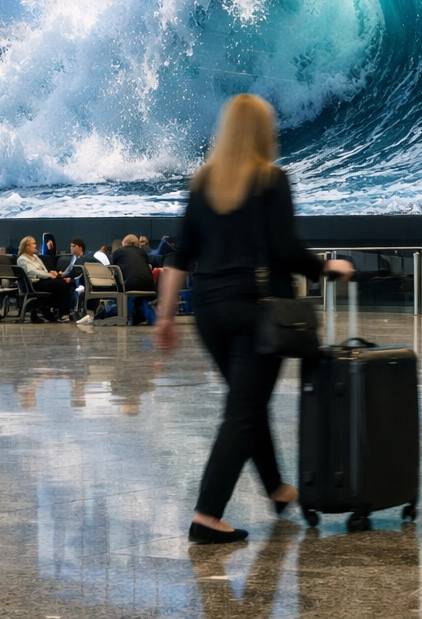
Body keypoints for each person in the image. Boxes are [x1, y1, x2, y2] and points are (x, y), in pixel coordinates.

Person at [155, 94, 354, 543]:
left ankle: (278, 490)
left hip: (208, 311)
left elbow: (179, 257)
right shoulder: (271, 179)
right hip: (256, 310)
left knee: (248, 403)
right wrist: (327, 267)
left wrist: (165, 316)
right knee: (243, 411)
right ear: (264, 132)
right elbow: (285, 250)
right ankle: (207, 515)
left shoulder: (203, 182)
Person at [16, 235, 72, 322]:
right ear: (27, 246)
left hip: (42, 280)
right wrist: (49, 275)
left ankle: (54, 309)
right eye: (33, 244)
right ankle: (62, 313)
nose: (35, 245)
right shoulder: (22, 259)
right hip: (33, 284)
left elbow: (43, 270)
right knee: (60, 284)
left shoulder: (35, 257)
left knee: (63, 281)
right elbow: (33, 272)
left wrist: (50, 273)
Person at [112, 234, 157, 323]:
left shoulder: (118, 252)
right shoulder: (143, 253)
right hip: (149, 286)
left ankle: (124, 314)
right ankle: (140, 314)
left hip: (130, 286)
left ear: (123, 243)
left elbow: (113, 270)